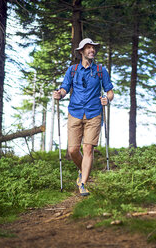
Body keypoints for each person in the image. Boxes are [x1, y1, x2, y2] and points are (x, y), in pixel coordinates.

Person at [53, 38, 114, 196]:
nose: (91, 50)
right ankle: (83, 169)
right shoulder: (72, 70)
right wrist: (60, 94)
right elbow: (65, 88)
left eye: (93, 48)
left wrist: (107, 99)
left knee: (88, 148)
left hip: (94, 113)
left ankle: (83, 184)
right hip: (75, 112)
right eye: (88, 48)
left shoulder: (101, 70)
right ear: (81, 52)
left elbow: (110, 91)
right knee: (73, 150)